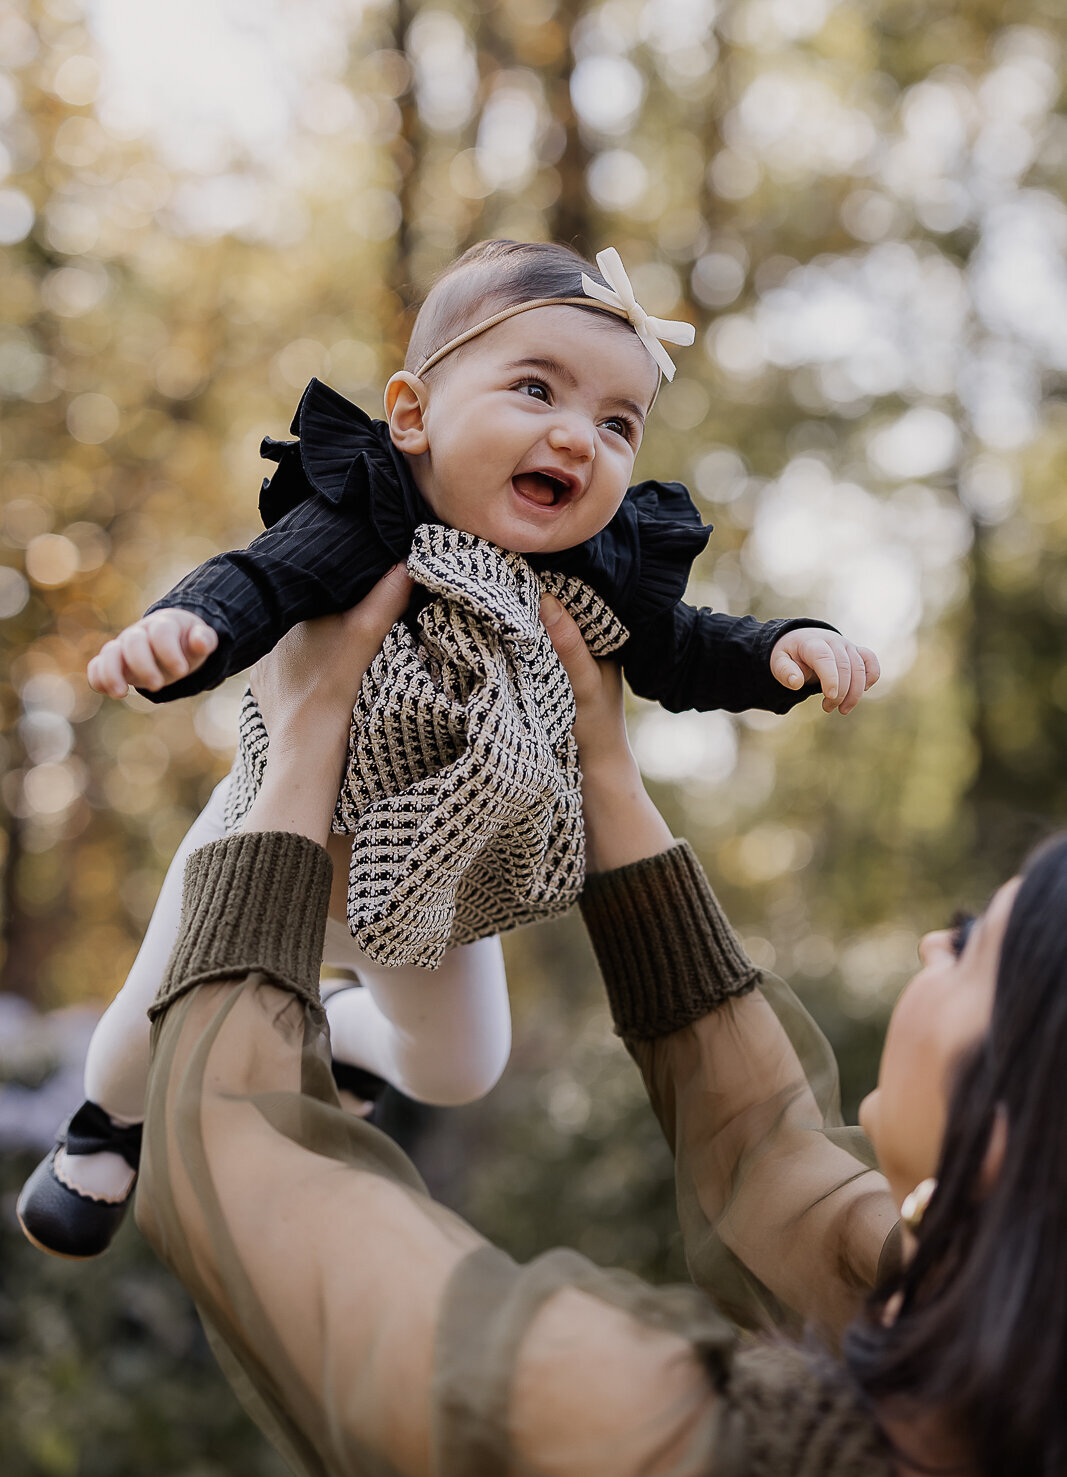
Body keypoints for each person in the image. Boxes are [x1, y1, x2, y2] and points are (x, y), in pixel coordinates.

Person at [129, 568, 1065, 1477]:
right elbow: (769, 1151)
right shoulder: (986, 1340)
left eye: (976, 942)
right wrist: (603, 772)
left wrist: (302, 749)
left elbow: (253, 1167)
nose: (937, 941)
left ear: (1006, 1136)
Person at [18, 240, 880, 1262]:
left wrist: (782, 647)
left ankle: (353, 1037)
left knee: (462, 1065)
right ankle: (103, 1128)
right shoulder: (363, 518)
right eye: (534, 389)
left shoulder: (592, 573)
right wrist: (186, 629)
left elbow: (684, 649)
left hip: (443, 873)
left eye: (616, 422)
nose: (577, 436)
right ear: (415, 414)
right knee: (145, 1024)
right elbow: (257, 582)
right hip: (268, 838)